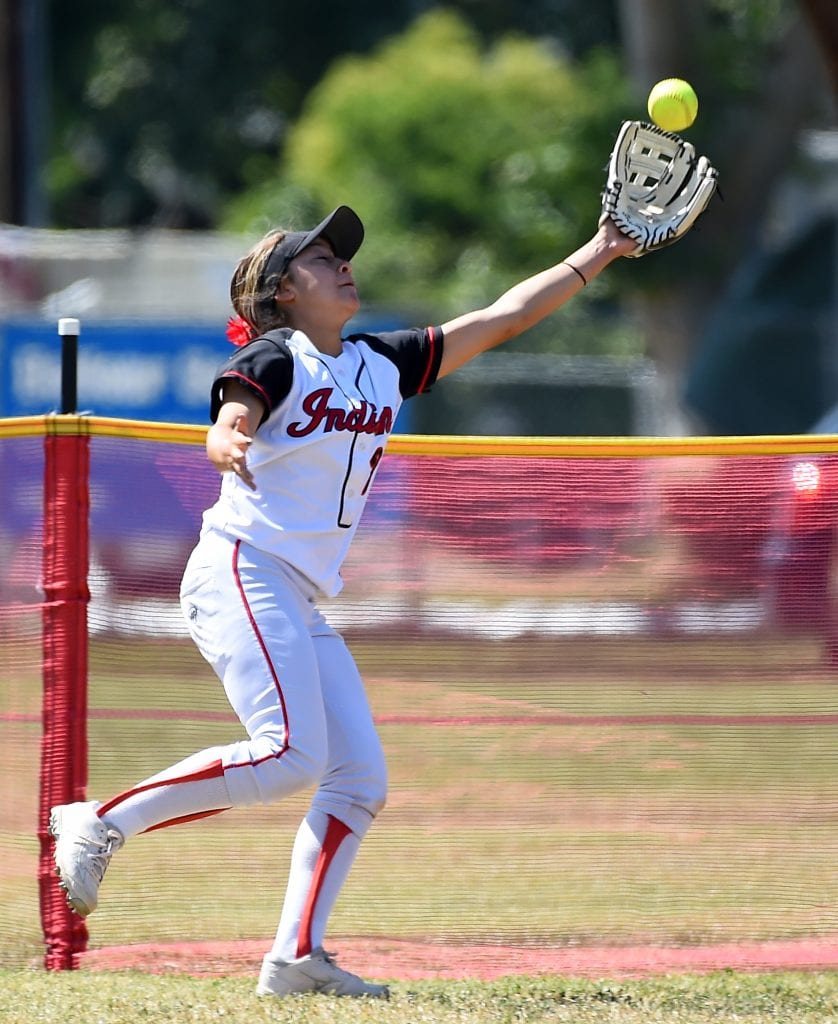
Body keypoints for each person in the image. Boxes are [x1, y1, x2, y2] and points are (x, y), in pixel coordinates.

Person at [49, 203, 638, 998]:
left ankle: (296, 957)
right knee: (290, 751)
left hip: (292, 589)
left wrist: (599, 249)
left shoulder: (380, 364)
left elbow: (503, 317)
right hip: (241, 568)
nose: (341, 264)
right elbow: (235, 411)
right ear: (283, 292)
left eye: (340, 254)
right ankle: (101, 821)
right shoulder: (279, 354)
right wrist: (225, 438)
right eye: (320, 258)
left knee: (357, 776)